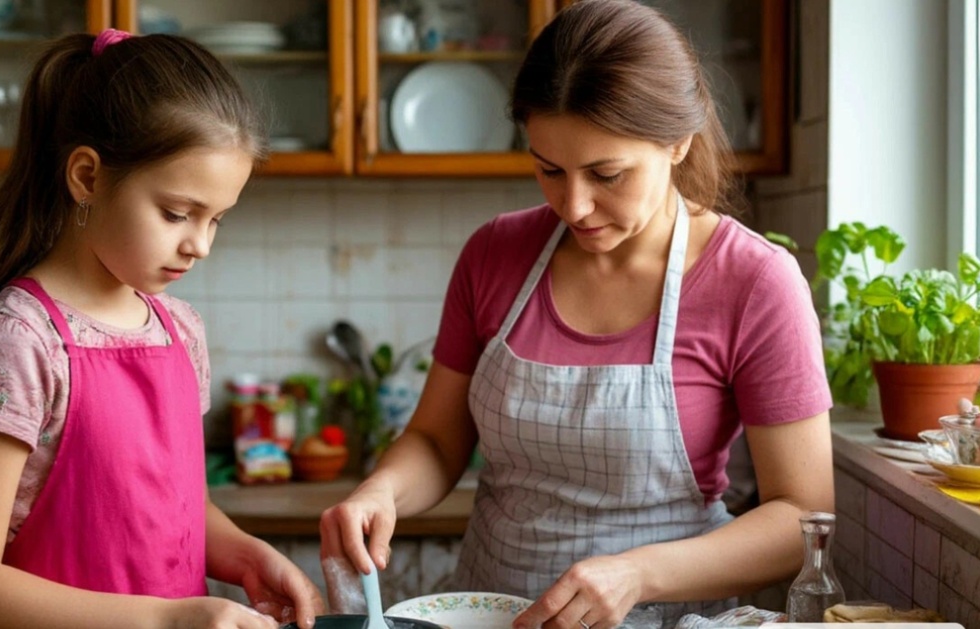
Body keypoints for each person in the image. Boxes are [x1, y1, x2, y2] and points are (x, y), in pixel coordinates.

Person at [319, 2, 834, 628]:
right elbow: (436, 439)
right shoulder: (494, 254)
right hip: (491, 611)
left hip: (663, 618)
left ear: (678, 143)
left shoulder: (754, 281)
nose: (576, 205)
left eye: (607, 174)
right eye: (549, 170)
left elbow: (799, 518)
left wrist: (639, 573)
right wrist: (382, 491)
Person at [0, 29, 323, 629]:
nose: (200, 244)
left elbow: (172, 509)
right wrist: (167, 620)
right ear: (86, 176)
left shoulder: (179, 330)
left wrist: (245, 555)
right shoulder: (19, 343)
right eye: (177, 213)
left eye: (218, 219)